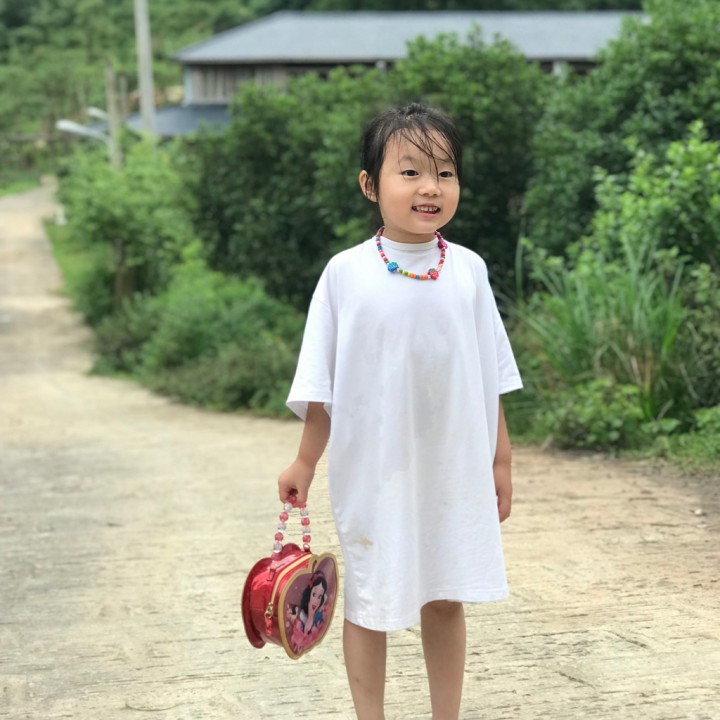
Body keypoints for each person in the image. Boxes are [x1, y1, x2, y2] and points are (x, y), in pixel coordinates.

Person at [278, 103, 522, 720]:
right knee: (370, 598)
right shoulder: (344, 275)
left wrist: (500, 460)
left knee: (445, 593)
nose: (429, 187)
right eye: (410, 171)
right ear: (370, 185)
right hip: (374, 473)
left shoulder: (468, 271)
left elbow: (490, 375)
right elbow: (324, 385)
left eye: (445, 172)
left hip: (452, 471)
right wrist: (305, 461)